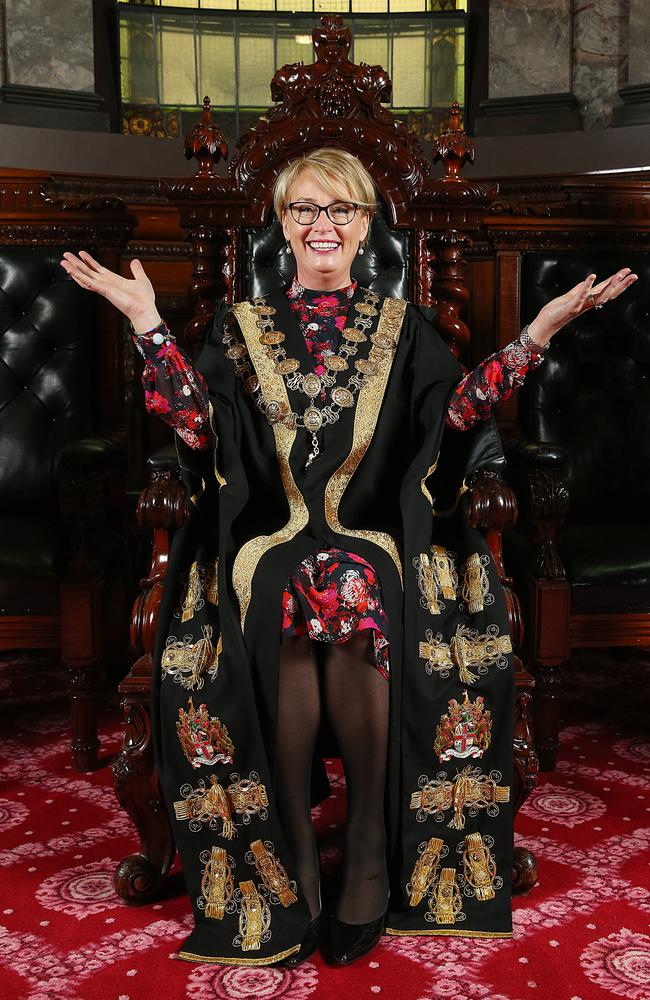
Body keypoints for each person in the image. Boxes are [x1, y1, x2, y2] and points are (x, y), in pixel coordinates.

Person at [61, 148, 636, 969]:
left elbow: (457, 418)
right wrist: (148, 325)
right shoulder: (241, 327)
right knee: (297, 576)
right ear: (283, 225)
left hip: (380, 535)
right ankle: (293, 862)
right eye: (304, 209)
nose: (322, 224)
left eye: (341, 209)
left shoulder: (407, 329)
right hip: (265, 536)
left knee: (348, 577)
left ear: (368, 226)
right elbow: (198, 435)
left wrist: (536, 335)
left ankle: (366, 849)